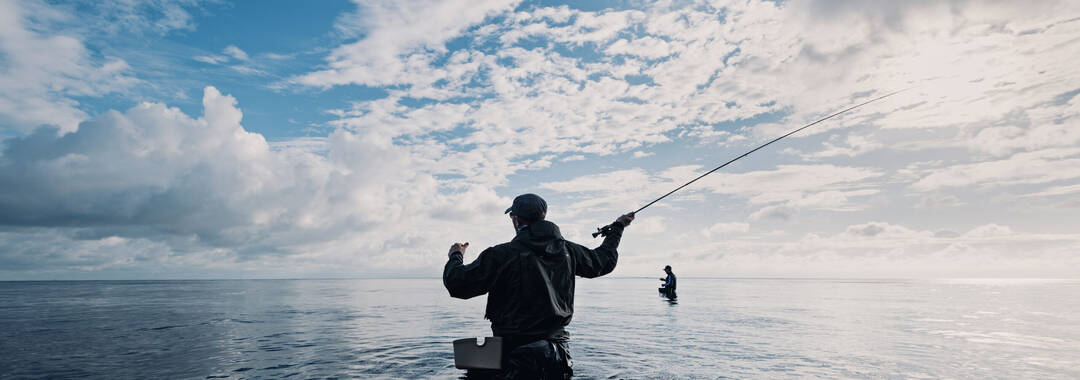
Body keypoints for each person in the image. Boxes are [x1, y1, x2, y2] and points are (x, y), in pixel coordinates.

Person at [443, 193, 635, 379]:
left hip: (513, 356)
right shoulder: (569, 251)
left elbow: (458, 284)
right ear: (543, 217)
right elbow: (603, 260)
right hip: (557, 355)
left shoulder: (501, 254)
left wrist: (456, 255)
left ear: (516, 220)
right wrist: (618, 227)